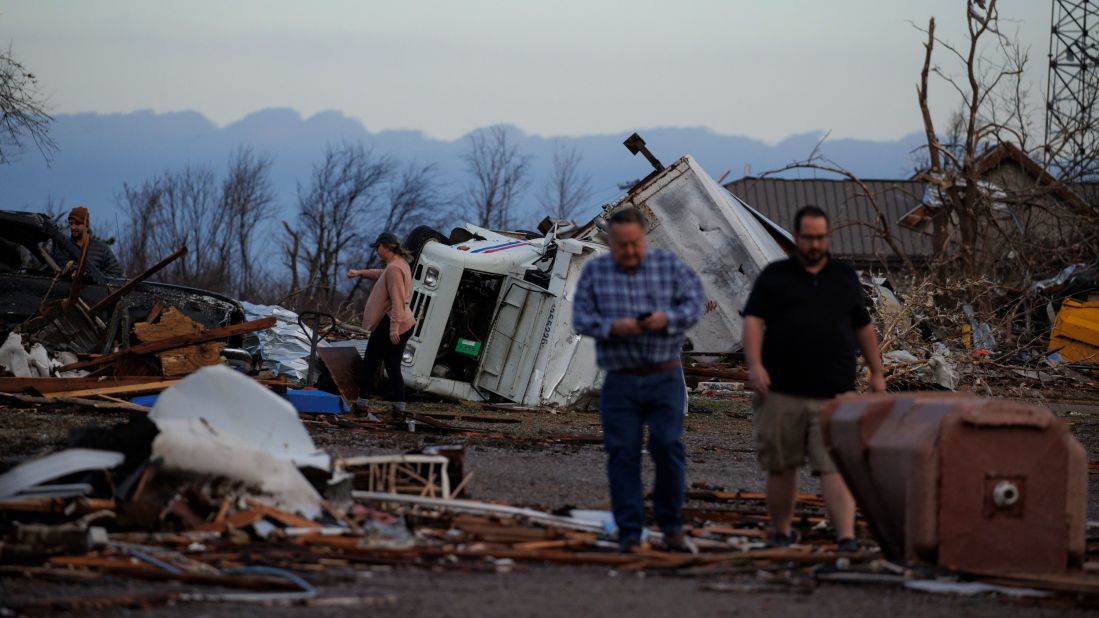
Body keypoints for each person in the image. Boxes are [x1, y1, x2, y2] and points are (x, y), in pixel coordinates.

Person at [742, 204, 886, 552]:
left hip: (835, 394)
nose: (816, 244)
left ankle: (847, 538)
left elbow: (862, 325)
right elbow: (752, 322)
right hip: (781, 393)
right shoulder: (775, 276)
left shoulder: (844, 277)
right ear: (796, 237)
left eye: (821, 237)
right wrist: (756, 366)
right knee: (782, 467)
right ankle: (779, 533)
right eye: (809, 238)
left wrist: (877, 372)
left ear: (828, 237)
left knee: (835, 468)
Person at [572, 207, 705, 553]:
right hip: (620, 379)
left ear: (643, 238)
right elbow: (581, 319)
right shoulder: (596, 272)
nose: (629, 252)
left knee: (668, 446)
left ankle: (672, 527)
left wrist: (668, 319)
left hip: (664, 375)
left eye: (634, 244)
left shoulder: (668, 266)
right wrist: (613, 327)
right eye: (621, 245)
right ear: (610, 242)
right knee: (622, 454)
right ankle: (630, 532)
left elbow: (695, 304)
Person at [347, 232, 417, 421]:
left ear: (385, 246)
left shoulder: (394, 269)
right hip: (406, 321)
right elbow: (381, 275)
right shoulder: (399, 264)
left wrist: (393, 328)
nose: (376, 251)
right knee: (393, 365)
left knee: (370, 363)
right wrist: (360, 273)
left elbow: (398, 300)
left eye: (377, 247)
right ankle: (399, 409)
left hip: (393, 321)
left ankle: (361, 406)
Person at [51, 206, 123, 277]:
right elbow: (47, 273)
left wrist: (92, 277)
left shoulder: (102, 249)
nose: (73, 227)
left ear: (86, 224)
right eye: (71, 223)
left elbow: (116, 273)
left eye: (77, 224)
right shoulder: (59, 248)